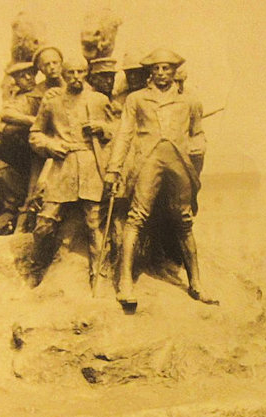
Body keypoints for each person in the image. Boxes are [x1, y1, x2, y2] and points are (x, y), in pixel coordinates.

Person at [104, 48, 216, 311]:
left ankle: (196, 283)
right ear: (150, 72)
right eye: (157, 69)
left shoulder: (190, 101)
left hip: (179, 161)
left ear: (174, 71)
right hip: (148, 159)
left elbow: (198, 133)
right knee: (137, 217)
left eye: (167, 68)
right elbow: (124, 135)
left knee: (184, 219)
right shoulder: (136, 99)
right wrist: (114, 168)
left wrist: (199, 146)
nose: (162, 73)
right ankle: (125, 283)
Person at [27, 55, 114, 282]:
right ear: (64, 76)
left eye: (81, 72)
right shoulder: (52, 102)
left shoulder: (99, 100)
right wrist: (50, 145)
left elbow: (116, 131)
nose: (76, 78)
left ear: (86, 74)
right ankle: (35, 270)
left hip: (90, 165)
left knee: (94, 222)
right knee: (45, 222)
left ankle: (99, 272)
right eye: (71, 73)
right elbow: (35, 134)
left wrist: (102, 128)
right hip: (62, 166)